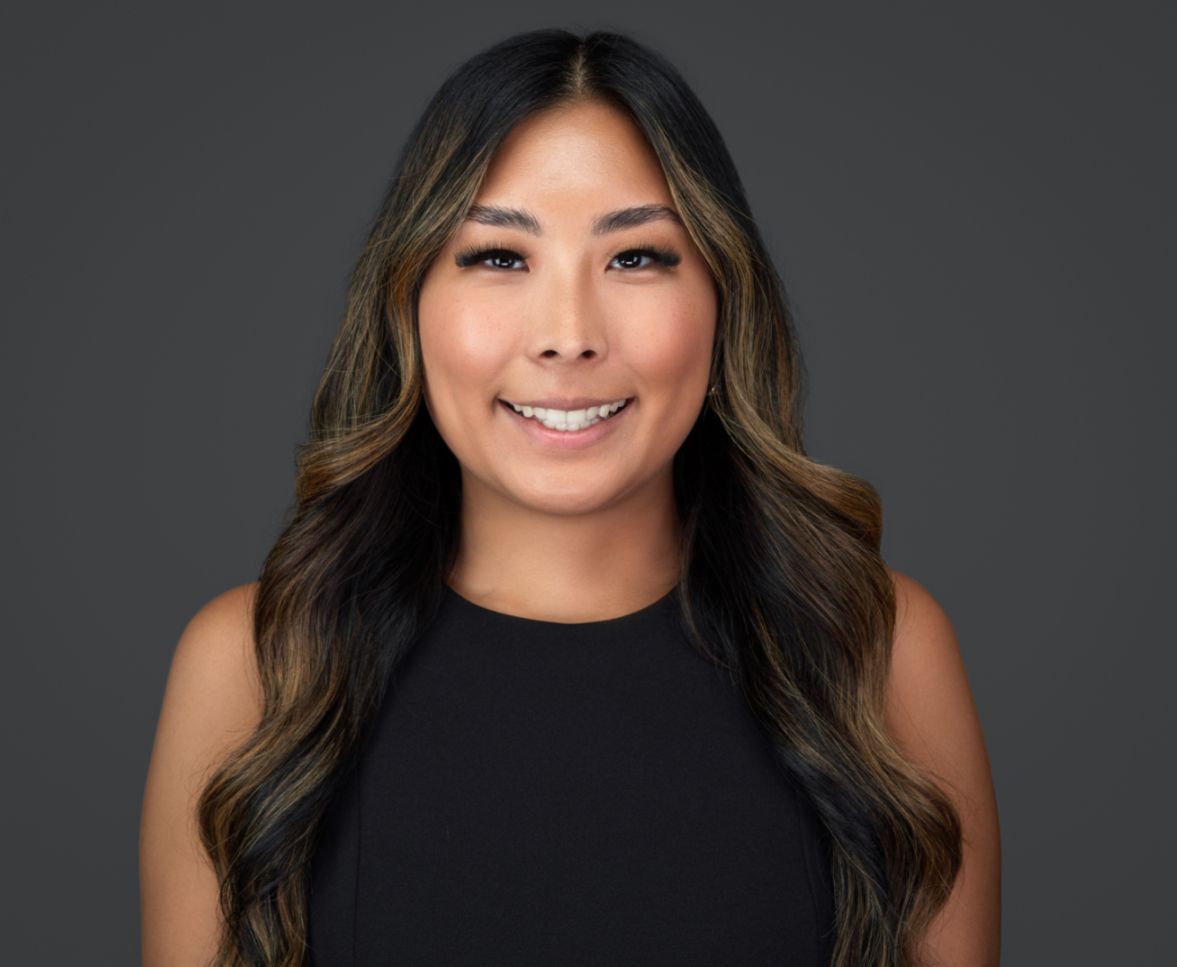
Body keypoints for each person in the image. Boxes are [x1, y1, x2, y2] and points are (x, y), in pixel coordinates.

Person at [140, 27, 1000, 967]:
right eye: (498, 257)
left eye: (636, 257)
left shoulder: (877, 652)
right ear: (407, 302)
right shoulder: (258, 667)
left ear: (722, 297)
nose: (566, 335)